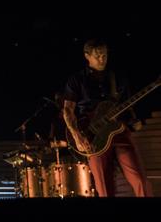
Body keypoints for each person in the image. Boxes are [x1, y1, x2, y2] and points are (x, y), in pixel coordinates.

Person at [62, 38, 152, 197]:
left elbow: (128, 106)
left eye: (105, 54)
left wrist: (134, 121)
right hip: (93, 136)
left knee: (140, 181)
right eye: (98, 55)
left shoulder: (118, 77)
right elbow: (68, 110)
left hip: (119, 130)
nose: (102, 58)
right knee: (104, 188)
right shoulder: (76, 80)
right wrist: (77, 136)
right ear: (87, 56)